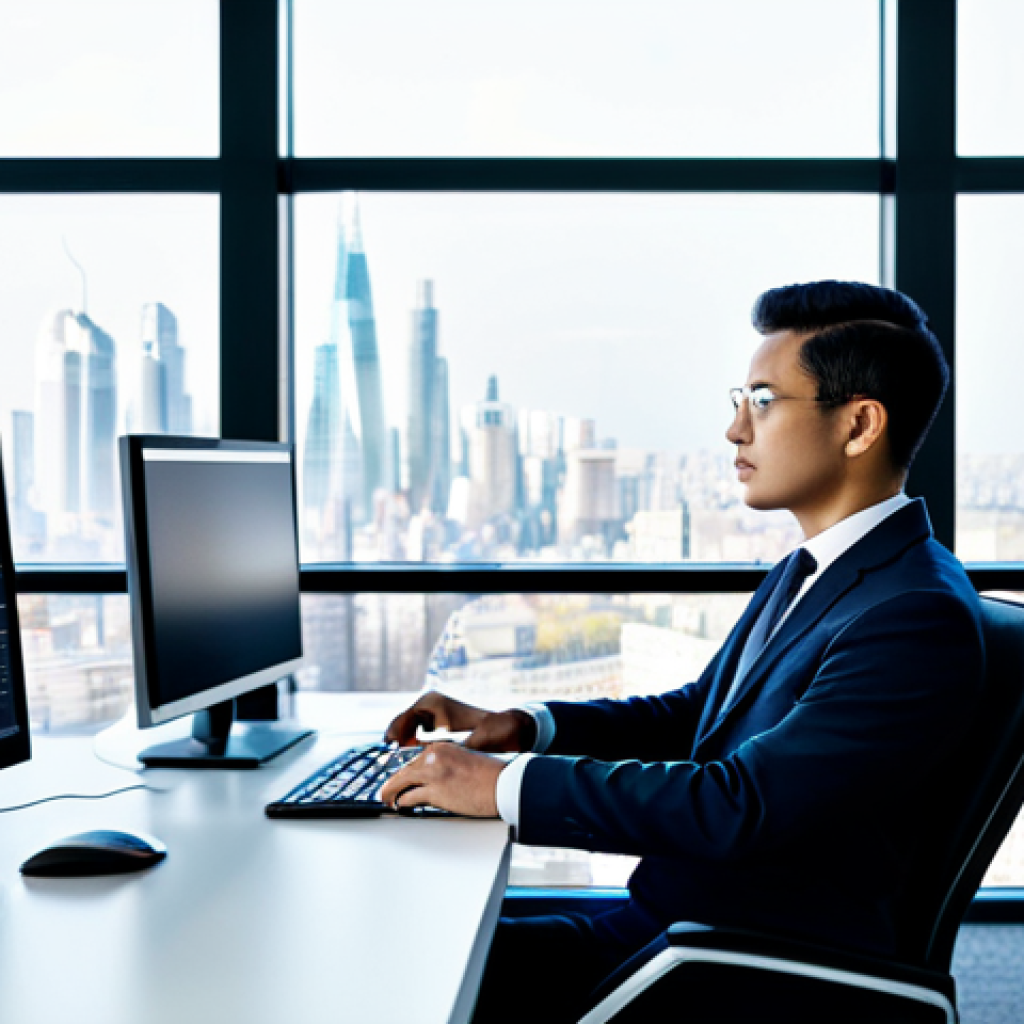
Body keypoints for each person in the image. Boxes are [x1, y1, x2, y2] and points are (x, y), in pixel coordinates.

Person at [380, 280, 986, 1024]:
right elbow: (699, 716)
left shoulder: (914, 615)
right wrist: (530, 726)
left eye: (762, 402)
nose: (735, 430)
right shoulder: (818, 568)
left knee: (398, 984)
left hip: (729, 969)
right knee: (404, 947)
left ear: (859, 425)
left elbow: (740, 804)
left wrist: (502, 788)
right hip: (666, 932)